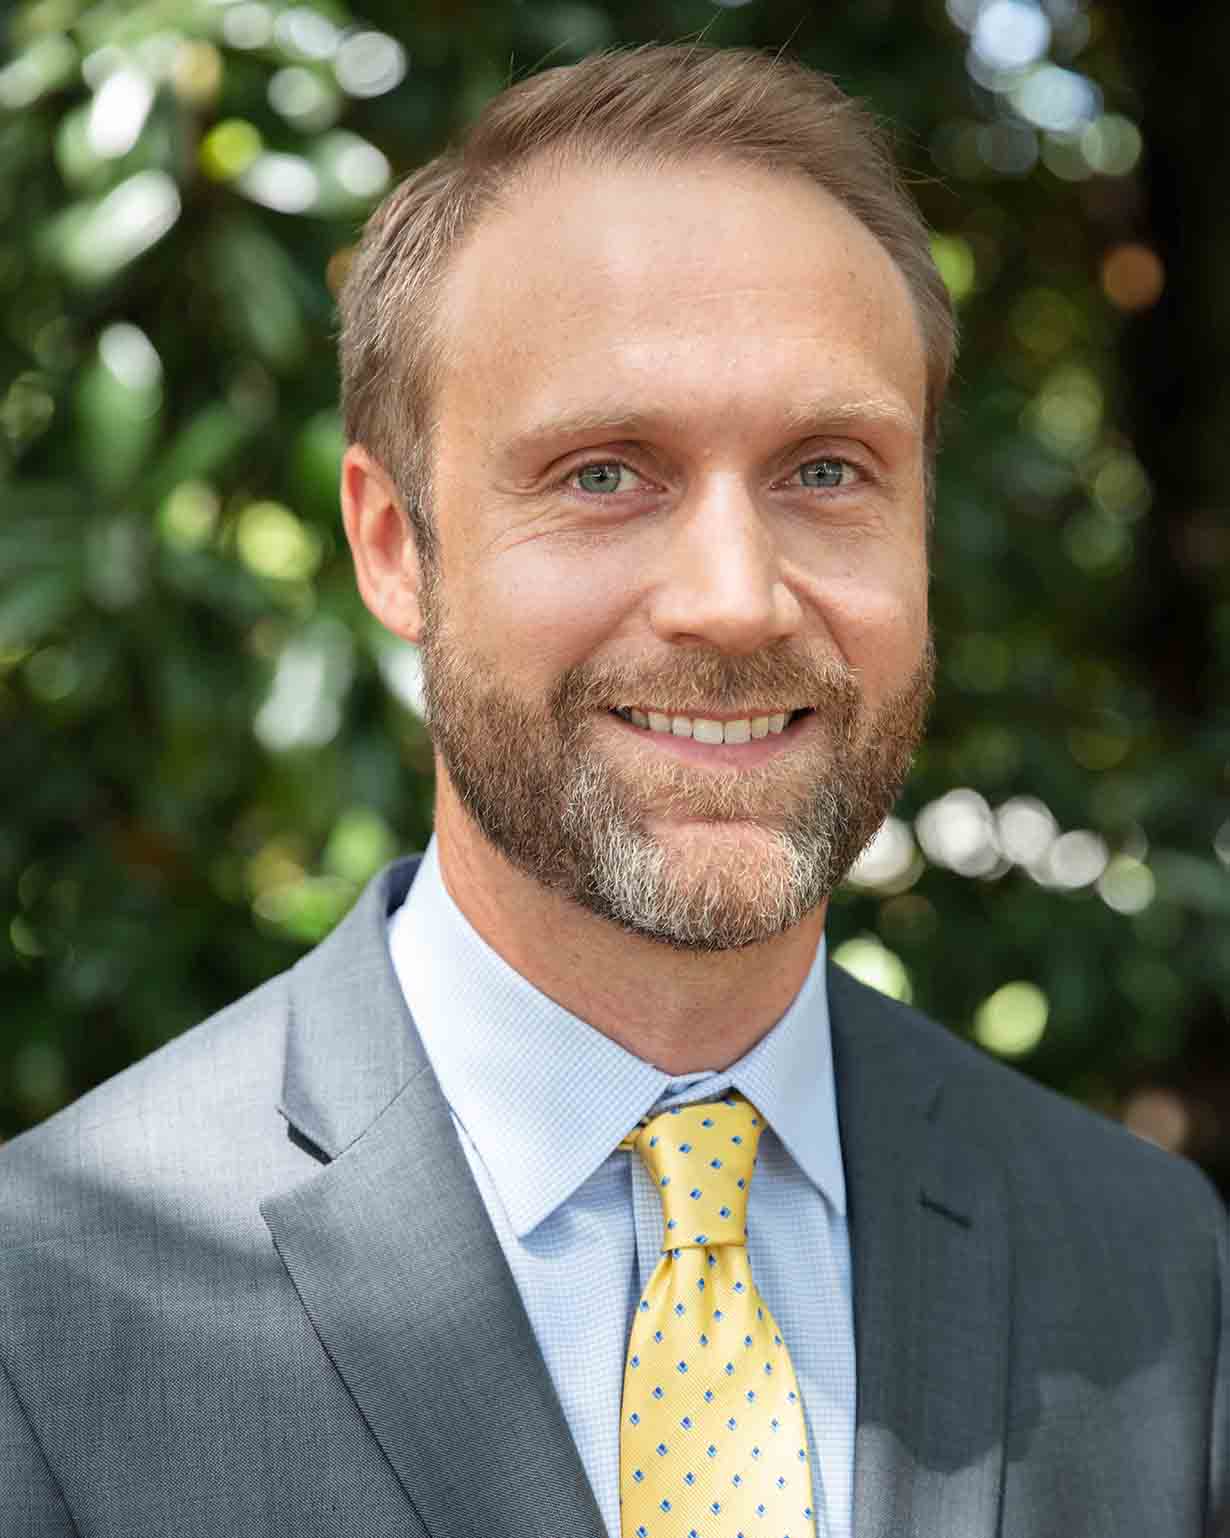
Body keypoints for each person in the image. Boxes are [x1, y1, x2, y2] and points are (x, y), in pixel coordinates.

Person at [1, 43, 1225, 1538]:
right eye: (602, 473)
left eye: (826, 471)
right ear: (393, 545)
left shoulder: (1151, 1269)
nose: (734, 600)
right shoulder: (45, 1302)